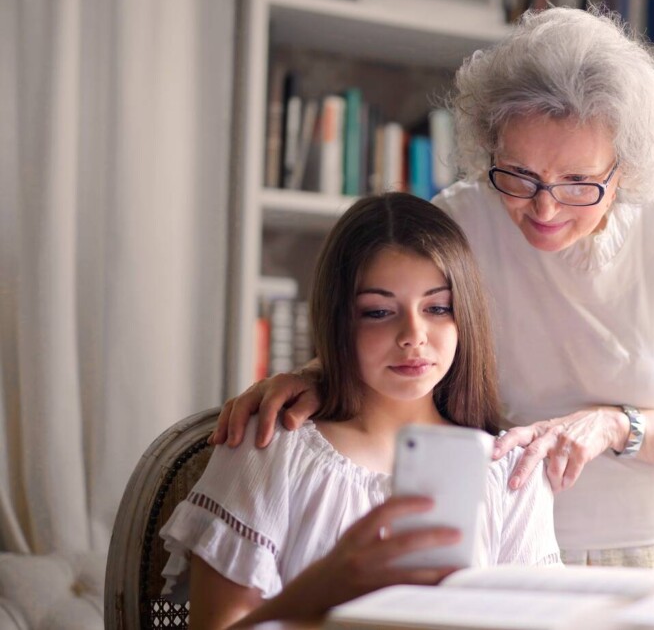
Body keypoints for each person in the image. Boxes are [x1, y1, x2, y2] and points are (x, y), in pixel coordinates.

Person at [214, 6, 654, 586]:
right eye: (519, 175)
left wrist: (614, 425)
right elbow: (401, 326)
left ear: (624, 169)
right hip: (511, 546)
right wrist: (316, 374)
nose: (544, 208)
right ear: (489, 147)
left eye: (579, 183)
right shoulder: (459, 219)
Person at [160, 193, 560, 628]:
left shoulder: (512, 472)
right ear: (338, 321)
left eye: (438, 307)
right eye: (379, 311)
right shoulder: (272, 445)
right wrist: (319, 591)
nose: (413, 334)